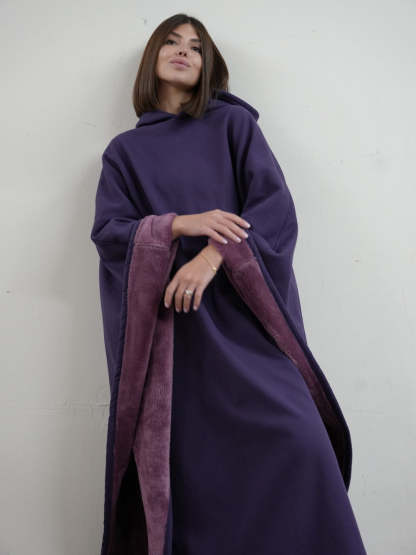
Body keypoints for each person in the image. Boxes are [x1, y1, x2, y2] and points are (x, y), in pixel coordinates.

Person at [90, 12, 367, 555]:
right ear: (151, 58)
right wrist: (178, 224)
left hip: (247, 325)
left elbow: (274, 211)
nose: (184, 51)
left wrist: (215, 255)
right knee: (195, 482)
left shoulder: (233, 126)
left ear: (209, 65)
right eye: (171, 42)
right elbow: (109, 233)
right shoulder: (124, 152)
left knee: (301, 443)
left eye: (196, 47)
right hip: (178, 345)